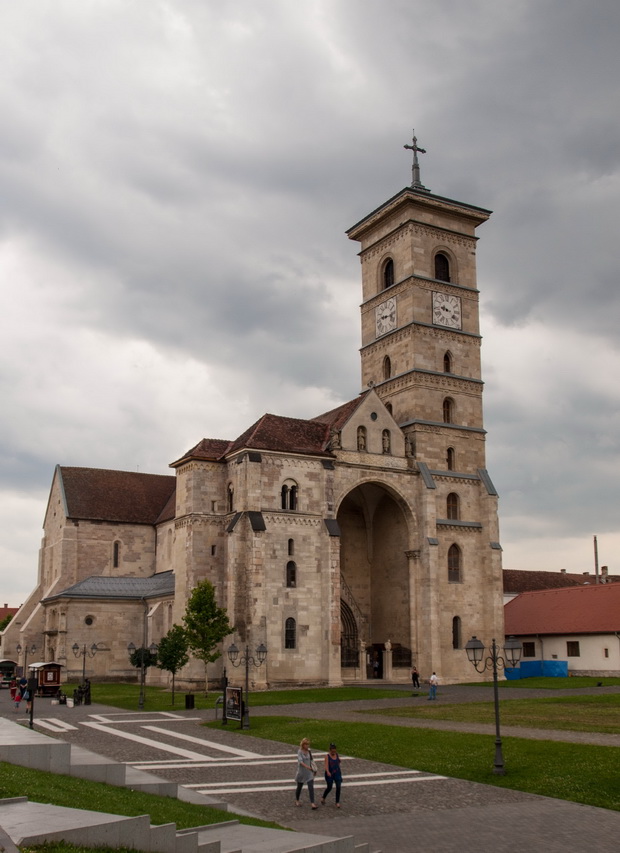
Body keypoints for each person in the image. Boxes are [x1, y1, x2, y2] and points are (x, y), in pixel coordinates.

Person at [295, 737, 318, 809]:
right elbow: (300, 761)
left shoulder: (309, 751)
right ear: (303, 744)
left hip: (309, 773)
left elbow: (312, 761)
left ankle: (312, 803)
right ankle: (297, 800)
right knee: (299, 787)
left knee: (311, 787)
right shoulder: (300, 752)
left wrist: (314, 770)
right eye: (306, 744)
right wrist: (306, 766)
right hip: (302, 772)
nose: (307, 746)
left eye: (308, 744)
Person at [321, 743, 342, 808]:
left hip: (337, 773)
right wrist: (327, 771)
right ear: (330, 750)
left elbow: (338, 762)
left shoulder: (337, 755)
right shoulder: (327, 756)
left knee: (338, 786)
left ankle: (337, 802)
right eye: (332, 751)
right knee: (329, 787)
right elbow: (326, 765)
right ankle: (323, 797)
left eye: (334, 751)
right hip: (330, 774)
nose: (333, 752)